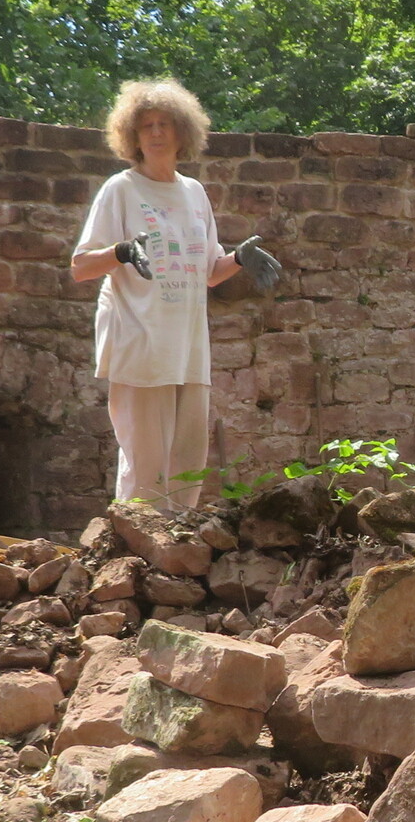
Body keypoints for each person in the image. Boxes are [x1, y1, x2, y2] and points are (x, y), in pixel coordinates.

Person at [68, 77, 282, 508]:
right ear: (132, 135)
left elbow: (209, 273)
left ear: (183, 132)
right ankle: (134, 540)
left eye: (164, 124)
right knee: (146, 465)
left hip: (187, 348)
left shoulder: (194, 193)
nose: (156, 133)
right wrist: (122, 252)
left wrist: (239, 258)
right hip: (140, 342)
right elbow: (81, 266)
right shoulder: (121, 188)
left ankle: (180, 542)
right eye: (146, 125)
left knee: (188, 462)